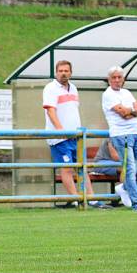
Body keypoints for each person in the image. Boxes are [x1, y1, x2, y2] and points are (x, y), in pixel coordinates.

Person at [42, 60, 108, 209]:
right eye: (60, 71)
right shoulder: (51, 88)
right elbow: (50, 110)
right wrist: (61, 130)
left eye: (66, 71)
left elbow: (72, 111)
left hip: (76, 136)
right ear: (56, 72)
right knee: (66, 168)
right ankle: (76, 199)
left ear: (71, 73)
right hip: (59, 138)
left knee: (82, 167)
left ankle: (91, 199)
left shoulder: (73, 88)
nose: (63, 73)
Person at [101, 66, 137, 211]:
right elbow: (124, 114)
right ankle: (136, 203)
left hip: (135, 133)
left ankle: (125, 187)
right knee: (130, 168)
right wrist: (132, 112)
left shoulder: (127, 92)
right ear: (109, 80)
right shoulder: (108, 94)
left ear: (123, 79)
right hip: (121, 135)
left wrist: (131, 111)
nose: (116, 80)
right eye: (113, 77)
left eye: (119, 77)